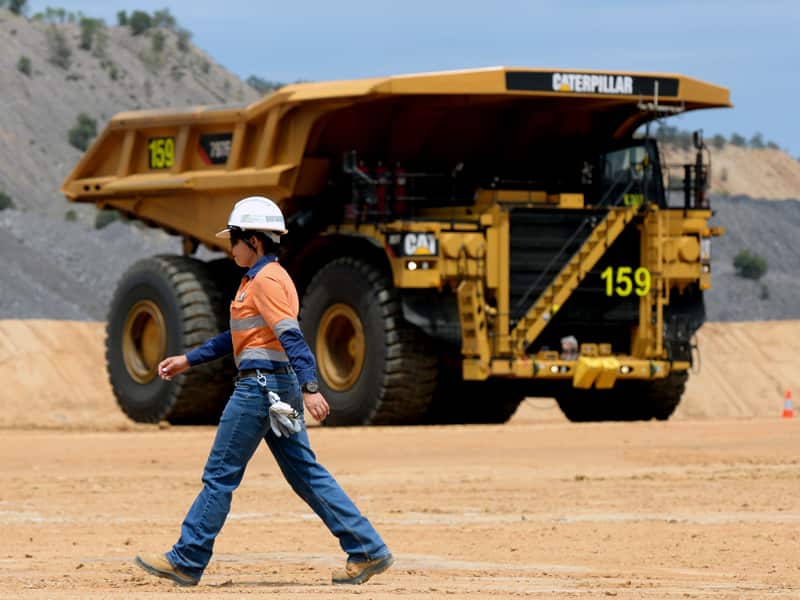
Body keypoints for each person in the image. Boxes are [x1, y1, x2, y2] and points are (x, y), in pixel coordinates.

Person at [135, 196, 393, 587]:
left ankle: (187, 559)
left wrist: (310, 388)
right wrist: (188, 359)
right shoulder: (257, 280)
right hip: (275, 389)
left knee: (220, 475)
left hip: (259, 390)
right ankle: (367, 549)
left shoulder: (267, 280)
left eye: (234, 239)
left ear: (253, 240)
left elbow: (291, 335)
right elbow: (237, 337)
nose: (230, 246)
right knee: (306, 474)